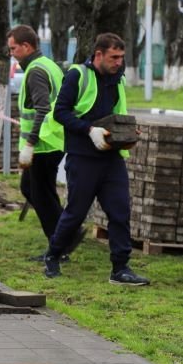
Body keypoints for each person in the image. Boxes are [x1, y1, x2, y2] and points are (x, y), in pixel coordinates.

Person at [45, 33, 149, 285]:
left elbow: (117, 114)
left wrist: (127, 133)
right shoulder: (77, 76)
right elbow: (60, 112)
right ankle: (53, 255)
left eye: (121, 57)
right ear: (99, 54)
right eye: (114, 57)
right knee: (76, 213)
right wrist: (89, 130)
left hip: (111, 157)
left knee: (120, 211)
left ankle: (120, 269)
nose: (119, 62)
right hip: (83, 157)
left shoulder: (117, 78)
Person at [7, 25, 75, 262]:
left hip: (44, 144)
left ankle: (61, 245)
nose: (11, 53)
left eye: (13, 48)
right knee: (32, 189)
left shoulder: (36, 70)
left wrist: (30, 144)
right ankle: (63, 239)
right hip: (51, 140)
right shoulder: (48, 64)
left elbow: (43, 109)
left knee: (41, 194)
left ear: (26, 46)